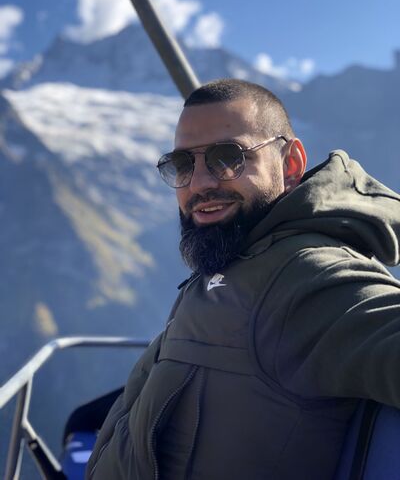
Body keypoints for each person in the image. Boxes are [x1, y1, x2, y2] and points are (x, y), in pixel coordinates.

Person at [86, 79, 400, 480]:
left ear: (290, 164)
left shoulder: (306, 277)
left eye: (227, 157)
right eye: (183, 165)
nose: (199, 184)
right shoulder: (234, 257)